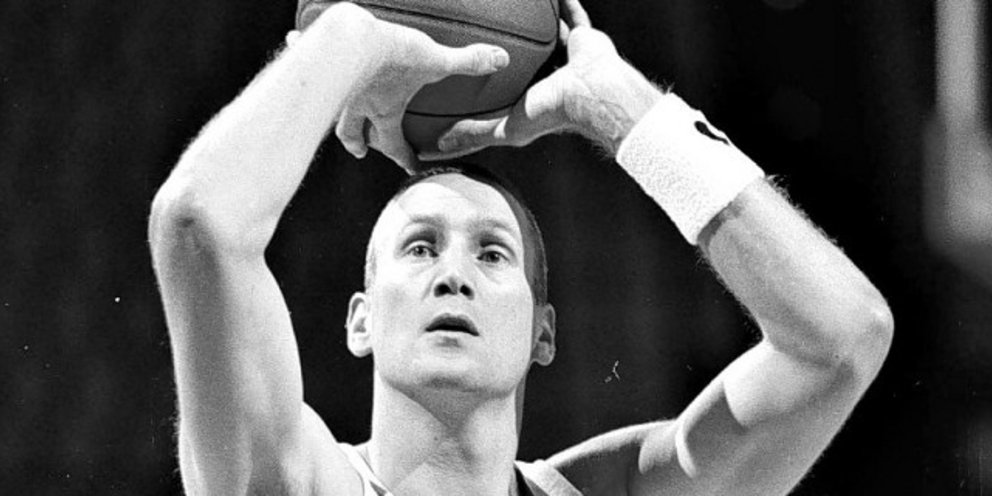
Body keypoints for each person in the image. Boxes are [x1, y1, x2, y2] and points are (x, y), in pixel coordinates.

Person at [148, 0, 894, 494]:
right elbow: (199, 223)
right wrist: (353, 37)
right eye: (419, 248)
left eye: (493, 254)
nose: (454, 275)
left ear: (544, 331)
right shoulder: (295, 481)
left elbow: (840, 341)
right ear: (361, 318)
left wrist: (620, 110)